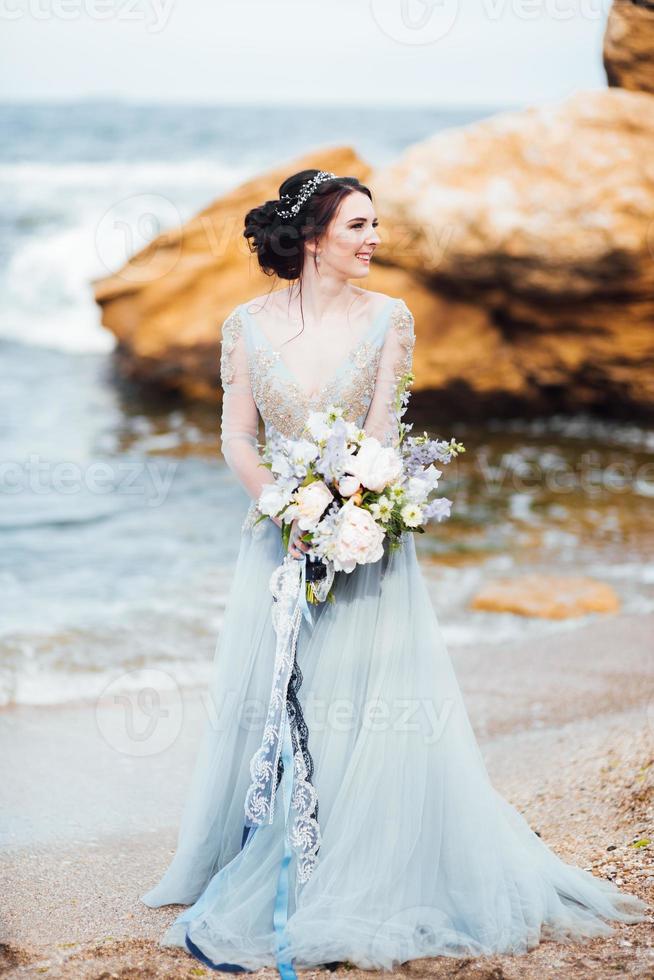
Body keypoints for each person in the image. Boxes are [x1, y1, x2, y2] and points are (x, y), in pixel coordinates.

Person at [140, 170, 648, 977]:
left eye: (376, 226)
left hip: (367, 539)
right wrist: (287, 508)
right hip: (280, 536)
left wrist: (351, 511)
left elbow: (381, 434)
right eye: (358, 227)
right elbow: (237, 437)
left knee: (365, 701)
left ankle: (361, 863)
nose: (375, 240)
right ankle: (269, 851)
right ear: (312, 237)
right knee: (278, 688)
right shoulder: (244, 324)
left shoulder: (391, 320)